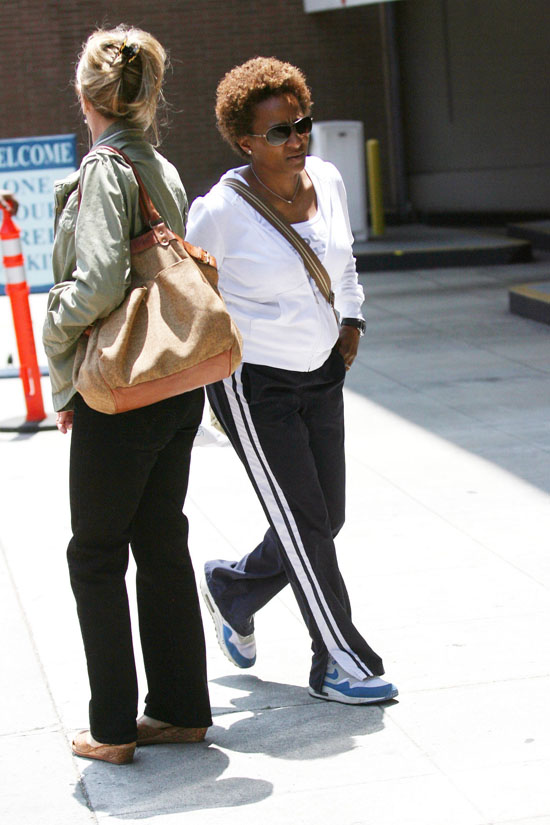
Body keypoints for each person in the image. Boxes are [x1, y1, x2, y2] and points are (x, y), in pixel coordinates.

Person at [185, 57, 398, 706]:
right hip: (257, 385)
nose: (297, 138)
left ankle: (234, 586)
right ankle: (339, 659)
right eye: (279, 131)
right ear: (245, 141)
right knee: (306, 523)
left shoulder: (328, 179)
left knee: (326, 514)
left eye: (301, 122)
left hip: (322, 370)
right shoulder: (220, 210)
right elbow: (191, 294)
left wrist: (353, 317)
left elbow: (344, 257)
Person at [42, 26, 212, 765]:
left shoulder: (105, 168)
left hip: (124, 389)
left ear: (85, 96)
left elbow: (102, 282)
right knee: (161, 540)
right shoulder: (161, 166)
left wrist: (55, 322)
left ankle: (110, 727)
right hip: (176, 381)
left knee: (96, 553)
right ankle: (178, 708)